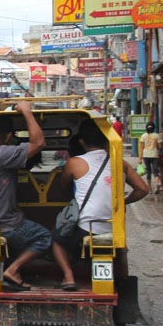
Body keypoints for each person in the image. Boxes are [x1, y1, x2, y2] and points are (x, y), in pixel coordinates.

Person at [0, 101, 68, 291]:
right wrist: (26, 112)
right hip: (3, 225)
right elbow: (39, 143)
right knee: (44, 236)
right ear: (9, 136)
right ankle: (13, 270)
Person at [52, 120, 149, 288]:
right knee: (120, 250)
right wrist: (122, 202)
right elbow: (142, 189)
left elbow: (63, 187)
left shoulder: (74, 163)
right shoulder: (120, 163)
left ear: (81, 141)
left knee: (56, 239)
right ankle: (120, 278)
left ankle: (68, 277)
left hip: (86, 229)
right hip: (112, 228)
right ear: (105, 140)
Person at [138, 122, 162, 193]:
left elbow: (142, 148)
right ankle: (157, 186)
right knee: (155, 171)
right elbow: (160, 147)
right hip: (154, 155)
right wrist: (155, 147)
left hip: (146, 155)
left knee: (148, 171)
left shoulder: (143, 136)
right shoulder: (157, 136)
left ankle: (150, 189)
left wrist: (140, 158)